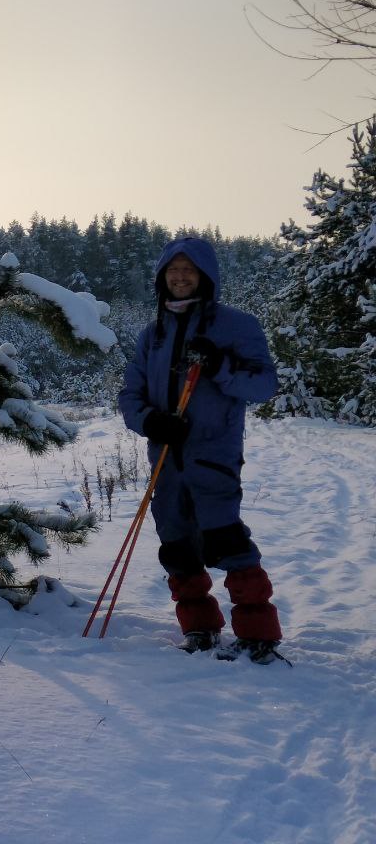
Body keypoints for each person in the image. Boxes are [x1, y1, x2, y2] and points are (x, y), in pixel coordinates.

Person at [119, 236, 284, 664]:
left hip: (213, 455)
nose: (180, 277)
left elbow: (264, 385)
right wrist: (151, 421)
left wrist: (220, 366)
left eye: (188, 270)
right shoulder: (153, 334)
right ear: (162, 277)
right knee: (176, 546)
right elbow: (130, 395)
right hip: (166, 460)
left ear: (205, 276)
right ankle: (200, 629)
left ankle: (258, 636)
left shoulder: (236, 326)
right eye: (172, 270)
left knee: (226, 541)